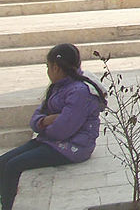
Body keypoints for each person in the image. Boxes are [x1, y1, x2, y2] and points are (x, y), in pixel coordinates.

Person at [0, 44, 106, 210]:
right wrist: (46, 121)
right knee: (3, 162)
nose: (48, 71)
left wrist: (45, 124)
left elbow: (62, 130)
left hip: (71, 146)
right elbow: (36, 117)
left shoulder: (80, 91)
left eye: (48, 67)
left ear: (55, 67)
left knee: (14, 166)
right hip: (49, 140)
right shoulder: (58, 86)